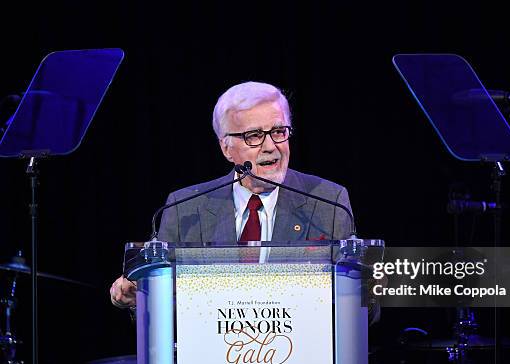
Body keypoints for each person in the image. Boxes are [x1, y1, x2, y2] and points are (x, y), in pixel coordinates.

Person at [110, 81, 353, 308]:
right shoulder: (184, 208)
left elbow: (357, 307)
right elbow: (164, 306)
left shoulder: (329, 202)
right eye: (254, 135)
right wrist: (138, 295)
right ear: (227, 148)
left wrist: (366, 291)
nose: (271, 146)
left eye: (279, 131)